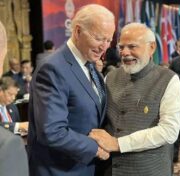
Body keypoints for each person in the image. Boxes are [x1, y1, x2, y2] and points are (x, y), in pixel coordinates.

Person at [27, 4, 115, 176]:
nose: (104, 47)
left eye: (109, 40)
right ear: (77, 31)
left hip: (84, 167)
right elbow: (52, 132)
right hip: (59, 170)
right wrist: (95, 148)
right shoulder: (53, 68)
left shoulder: (89, 65)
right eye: (98, 38)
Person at [89, 23, 180, 176]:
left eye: (132, 46)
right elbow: (102, 119)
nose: (124, 52)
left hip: (148, 170)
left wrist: (118, 144)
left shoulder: (169, 79)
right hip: (109, 168)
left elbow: (169, 131)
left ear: (151, 48)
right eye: (121, 47)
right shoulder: (110, 77)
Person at [0, 20, 28, 176]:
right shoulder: (7, 146)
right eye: (9, 94)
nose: (12, 98)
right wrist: (20, 127)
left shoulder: (13, 108)